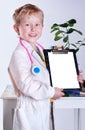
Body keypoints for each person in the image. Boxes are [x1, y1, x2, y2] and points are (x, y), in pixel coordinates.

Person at [8, 3, 83, 130]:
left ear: (42, 26)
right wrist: (51, 92)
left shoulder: (40, 50)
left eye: (37, 24)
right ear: (16, 28)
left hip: (42, 109)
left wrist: (71, 78)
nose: (33, 29)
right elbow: (26, 84)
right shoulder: (19, 54)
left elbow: (49, 77)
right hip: (29, 112)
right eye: (27, 25)